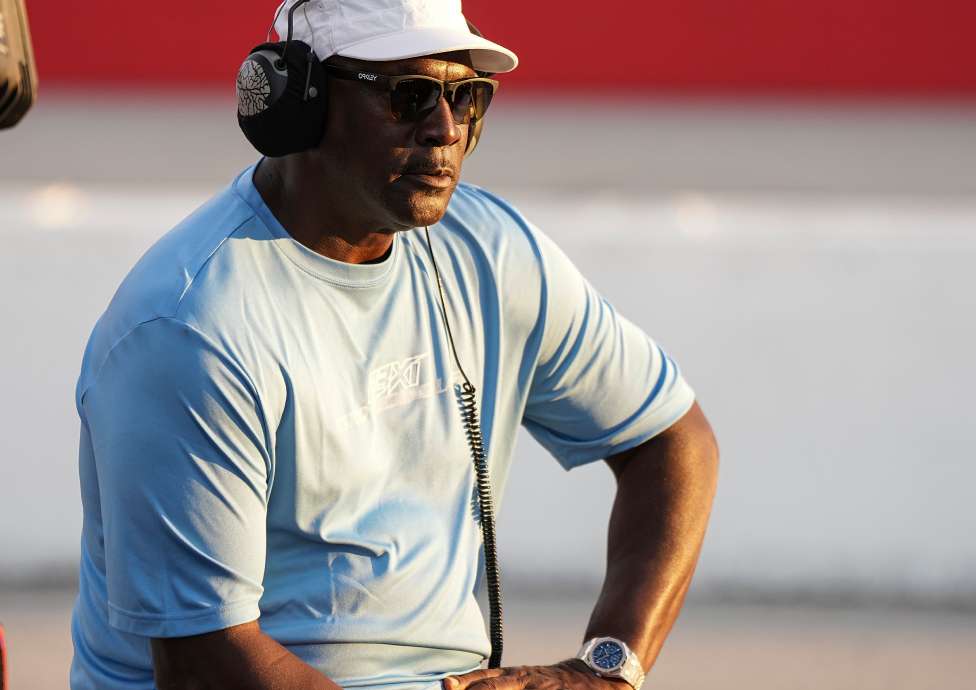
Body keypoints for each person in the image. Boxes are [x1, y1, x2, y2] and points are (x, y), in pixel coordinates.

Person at [68, 1, 719, 688]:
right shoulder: (191, 328)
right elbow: (209, 666)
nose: (444, 129)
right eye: (408, 95)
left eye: (466, 96)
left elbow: (673, 440)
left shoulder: (491, 253)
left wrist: (607, 668)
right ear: (298, 104)